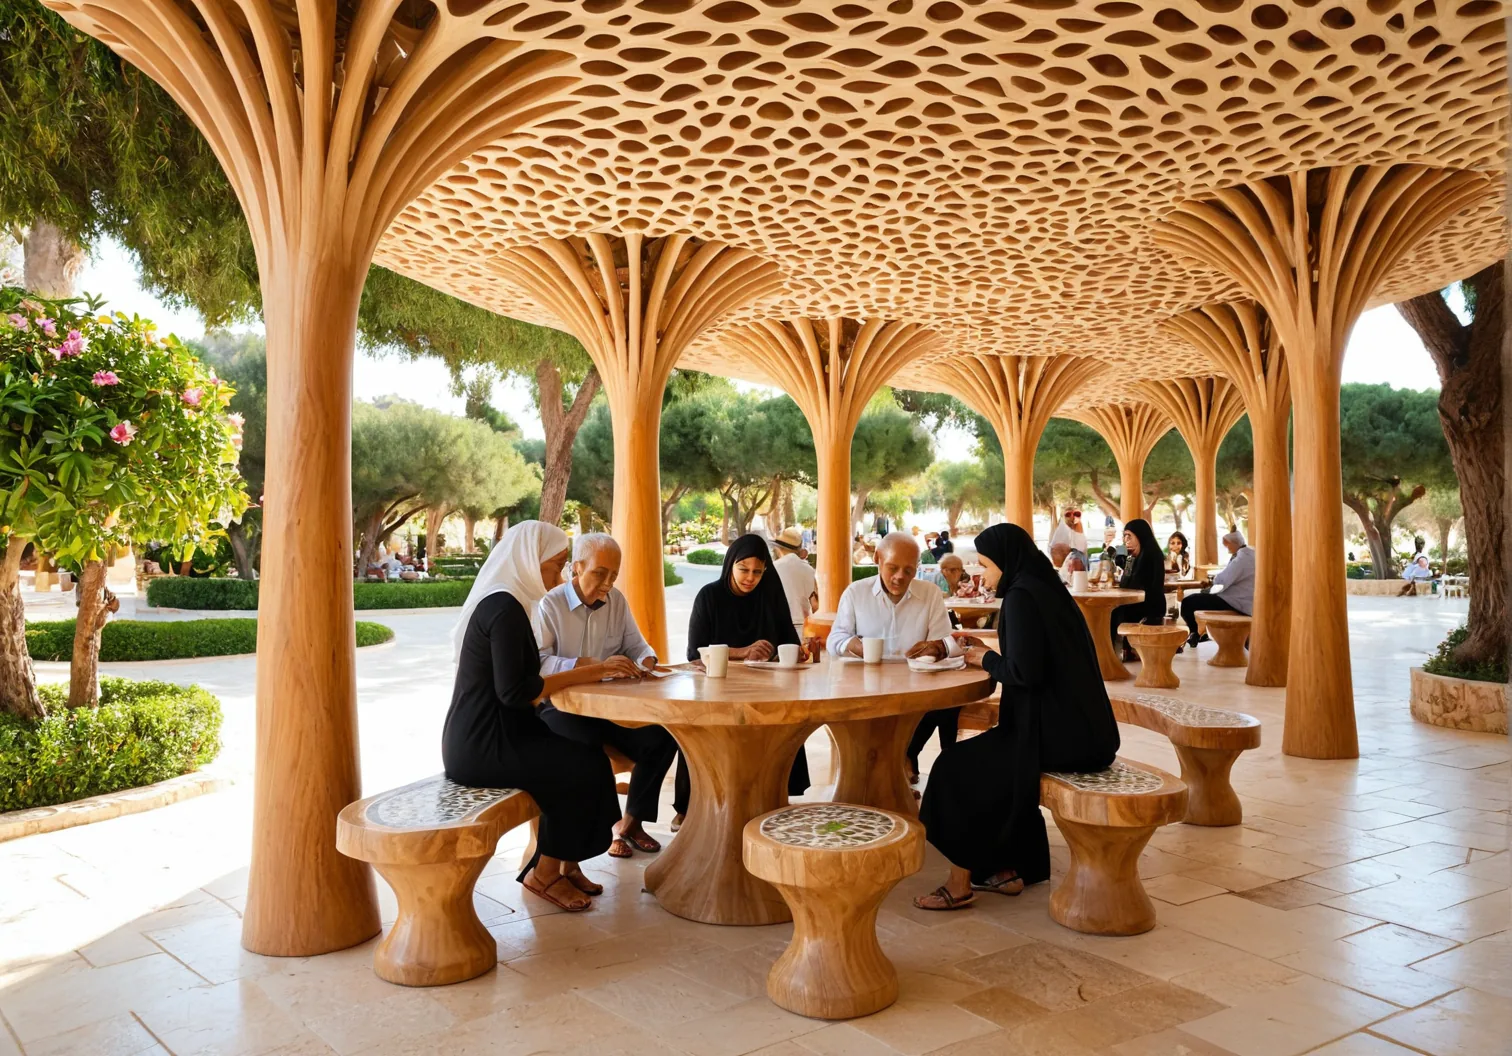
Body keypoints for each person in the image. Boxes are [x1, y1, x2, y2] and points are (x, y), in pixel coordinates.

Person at [914, 524, 1119, 910]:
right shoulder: (1045, 589)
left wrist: (983, 659)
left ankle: (960, 883)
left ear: (1007, 561)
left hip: (1058, 738)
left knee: (954, 768)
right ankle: (1005, 869)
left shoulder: (1022, 597)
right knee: (992, 764)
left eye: (986, 565)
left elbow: (1026, 673)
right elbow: (1036, 657)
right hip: (1087, 732)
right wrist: (985, 649)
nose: (984, 574)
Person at [442, 521, 621, 913]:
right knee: (573, 767)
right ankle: (543, 872)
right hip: (482, 744)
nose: (558, 576)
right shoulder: (502, 608)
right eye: (553, 565)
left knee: (588, 755)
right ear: (527, 559)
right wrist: (591, 671)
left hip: (502, 733)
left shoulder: (511, 602)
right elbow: (515, 692)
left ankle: (565, 862)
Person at [536, 533, 678, 859]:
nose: (608, 583)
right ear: (577, 567)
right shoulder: (550, 605)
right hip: (561, 709)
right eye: (600, 573)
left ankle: (631, 822)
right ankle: (609, 827)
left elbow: (639, 646)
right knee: (588, 751)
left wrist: (646, 662)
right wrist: (590, 666)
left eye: (614, 575)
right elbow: (540, 663)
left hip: (607, 709)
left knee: (662, 737)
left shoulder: (617, 601)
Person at [680, 534, 812, 827]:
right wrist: (742, 652)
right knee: (693, 728)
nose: (750, 578)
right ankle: (689, 807)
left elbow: (787, 642)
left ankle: (773, 796)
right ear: (730, 565)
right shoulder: (709, 596)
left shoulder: (770, 596)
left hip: (764, 689)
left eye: (757, 571)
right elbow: (694, 654)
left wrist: (794, 653)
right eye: (743, 569)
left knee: (786, 719)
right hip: (718, 688)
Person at [828, 533, 962, 780]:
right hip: (866, 688)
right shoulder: (856, 593)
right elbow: (834, 640)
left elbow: (945, 643)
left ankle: (909, 758)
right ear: (878, 559)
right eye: (893, 568)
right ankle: (890, 764)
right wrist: (857, 646)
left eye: (909, 570)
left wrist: (935, 648)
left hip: (916, 688)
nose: (900, 576)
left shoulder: (930, 594)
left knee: (945, 702)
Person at [1180, 529, 1255, 646]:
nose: (1227, 548)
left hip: (1237, 603)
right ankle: (1199, 634)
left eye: (1228, 545)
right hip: (1245, 601)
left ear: (1234, 543)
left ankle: (1195, 633)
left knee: (1188, 602)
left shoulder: (1242, 559)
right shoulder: (1249, 554)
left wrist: (1213, 581)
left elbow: (1223, 580)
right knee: (1198, 597)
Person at [1109, 518, 1168, 662]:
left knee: (1113, 612)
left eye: (1129, 536)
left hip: (1149, 605)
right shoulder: (1136, 555)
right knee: (1111, 611)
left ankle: (1111, 654)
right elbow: (1126, 582)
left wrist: (1127, 560)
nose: (1126, 540)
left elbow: (1136, 584)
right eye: (1124, 536)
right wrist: (1123, 556)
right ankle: (1113, 652)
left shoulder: (1150, 555)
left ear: (1140, 535)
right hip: (1139, 601)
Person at [770, 526, 819, 636]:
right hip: (804, 626)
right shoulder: (809, 570)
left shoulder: (773, 568)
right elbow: (815, 605)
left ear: (778, 549)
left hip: (778, 625)